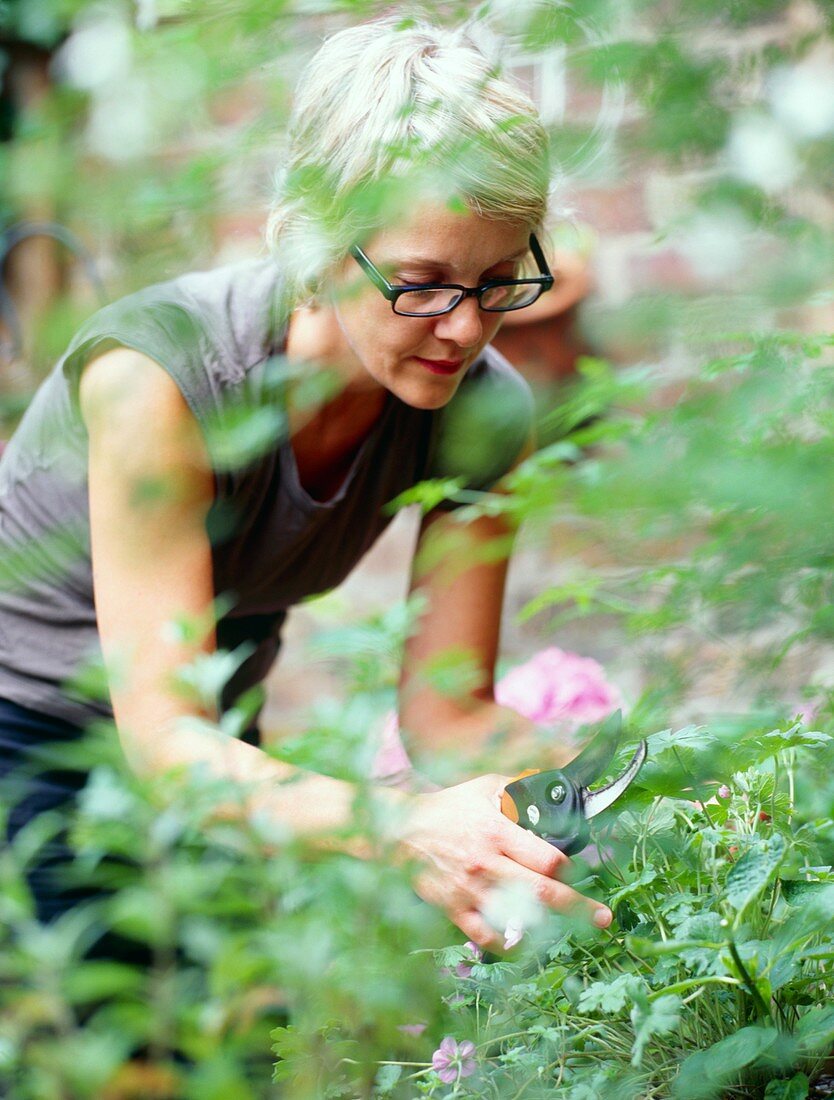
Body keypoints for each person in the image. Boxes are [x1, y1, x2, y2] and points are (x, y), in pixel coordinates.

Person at [0, 17, 613, 951]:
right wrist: (404, 831)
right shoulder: (158, 380)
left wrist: (626, 786)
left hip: (220, 743)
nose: (464, 327)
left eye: (497, 280)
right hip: (33, 731)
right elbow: (163, 746)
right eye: (422, 282)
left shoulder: (486, 412)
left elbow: (444, 716)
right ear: (323, 243)